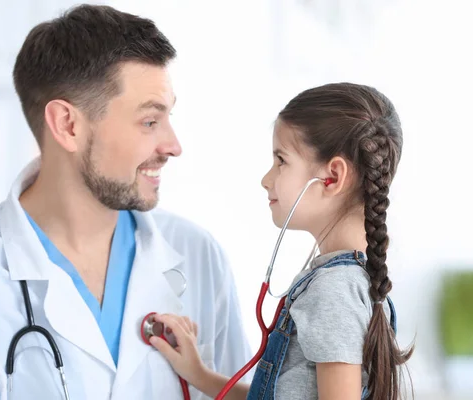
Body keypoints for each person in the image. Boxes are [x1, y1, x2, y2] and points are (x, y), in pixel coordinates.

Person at [0, 4, 252, 399]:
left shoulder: (198, 256)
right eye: (149, 121)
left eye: (168, 117)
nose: (173, 145)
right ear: (67, 125)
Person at [149, 82, 414, 400]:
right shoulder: (345, 282)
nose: (266, 179)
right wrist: (199, 374)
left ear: (332, 176)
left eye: (281, 161)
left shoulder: (334, 289)